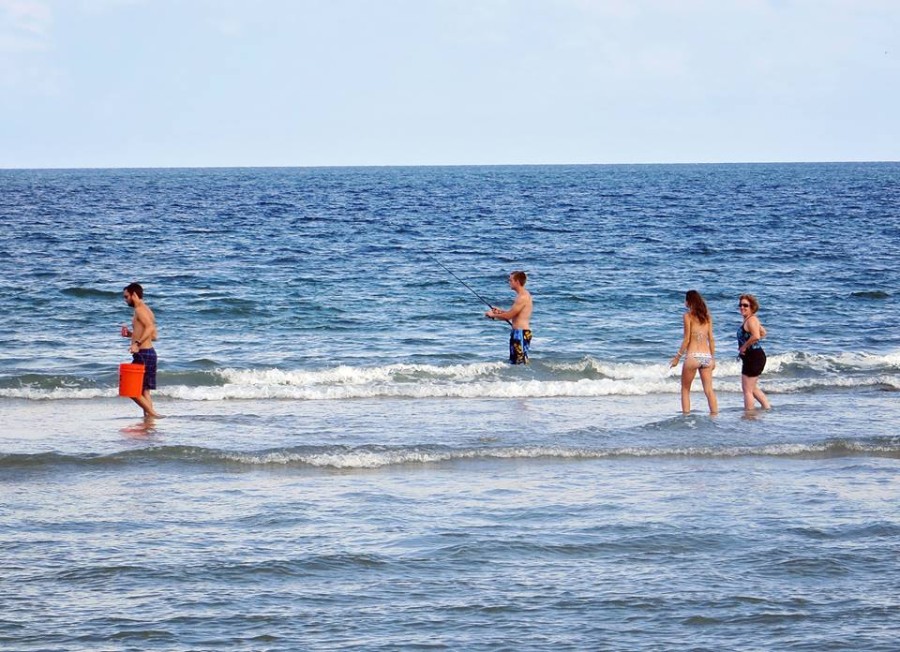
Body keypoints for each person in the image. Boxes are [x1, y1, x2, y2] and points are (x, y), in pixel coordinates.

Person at [670, 290, 718, 415]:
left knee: (685, 390)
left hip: (693, 356)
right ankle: (715, 417)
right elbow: (711, 339)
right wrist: (713, 358)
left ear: (689, 301)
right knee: (709, 390)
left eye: (685, 300)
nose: (684, 302)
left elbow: (686, 339)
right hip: (706, 356)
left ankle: (686, 418)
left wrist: (677, 358)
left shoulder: (687, 316)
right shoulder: (707, 317)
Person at [121, 282, 160, 418]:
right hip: (149, 353)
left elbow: (149, 328)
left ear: (134, 295)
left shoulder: (139, 310)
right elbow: (154, 336)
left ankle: (153, 414)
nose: (125, 300)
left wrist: (136, 343)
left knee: (131, 390)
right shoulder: (147, 310)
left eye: (126, 297)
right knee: (144, 391)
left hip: (143, 354)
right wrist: (131, 335)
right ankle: (148, 419)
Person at [485, 271, 533, 364]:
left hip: (521, 334)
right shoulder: (521, 295)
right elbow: (514, 314)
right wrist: (500, 312)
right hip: (518, 333)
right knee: (515, 362)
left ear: (517, 282)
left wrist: (493, 315)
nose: (509, 282)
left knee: (520, 362)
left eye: (510, 280)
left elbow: (509, 316)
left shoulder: (522, 297)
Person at [737, 293, 771, 411]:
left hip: (753, 357)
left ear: (752, 307)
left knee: (747, 390)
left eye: (745, 305)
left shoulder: (751, 320)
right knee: (752, 388)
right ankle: (767, 408)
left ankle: (749, 414)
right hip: (755, 356)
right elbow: (763, 333)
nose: (742, 307)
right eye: (740, 305)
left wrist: (744, 347)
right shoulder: (752, 319)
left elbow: (756, 336)